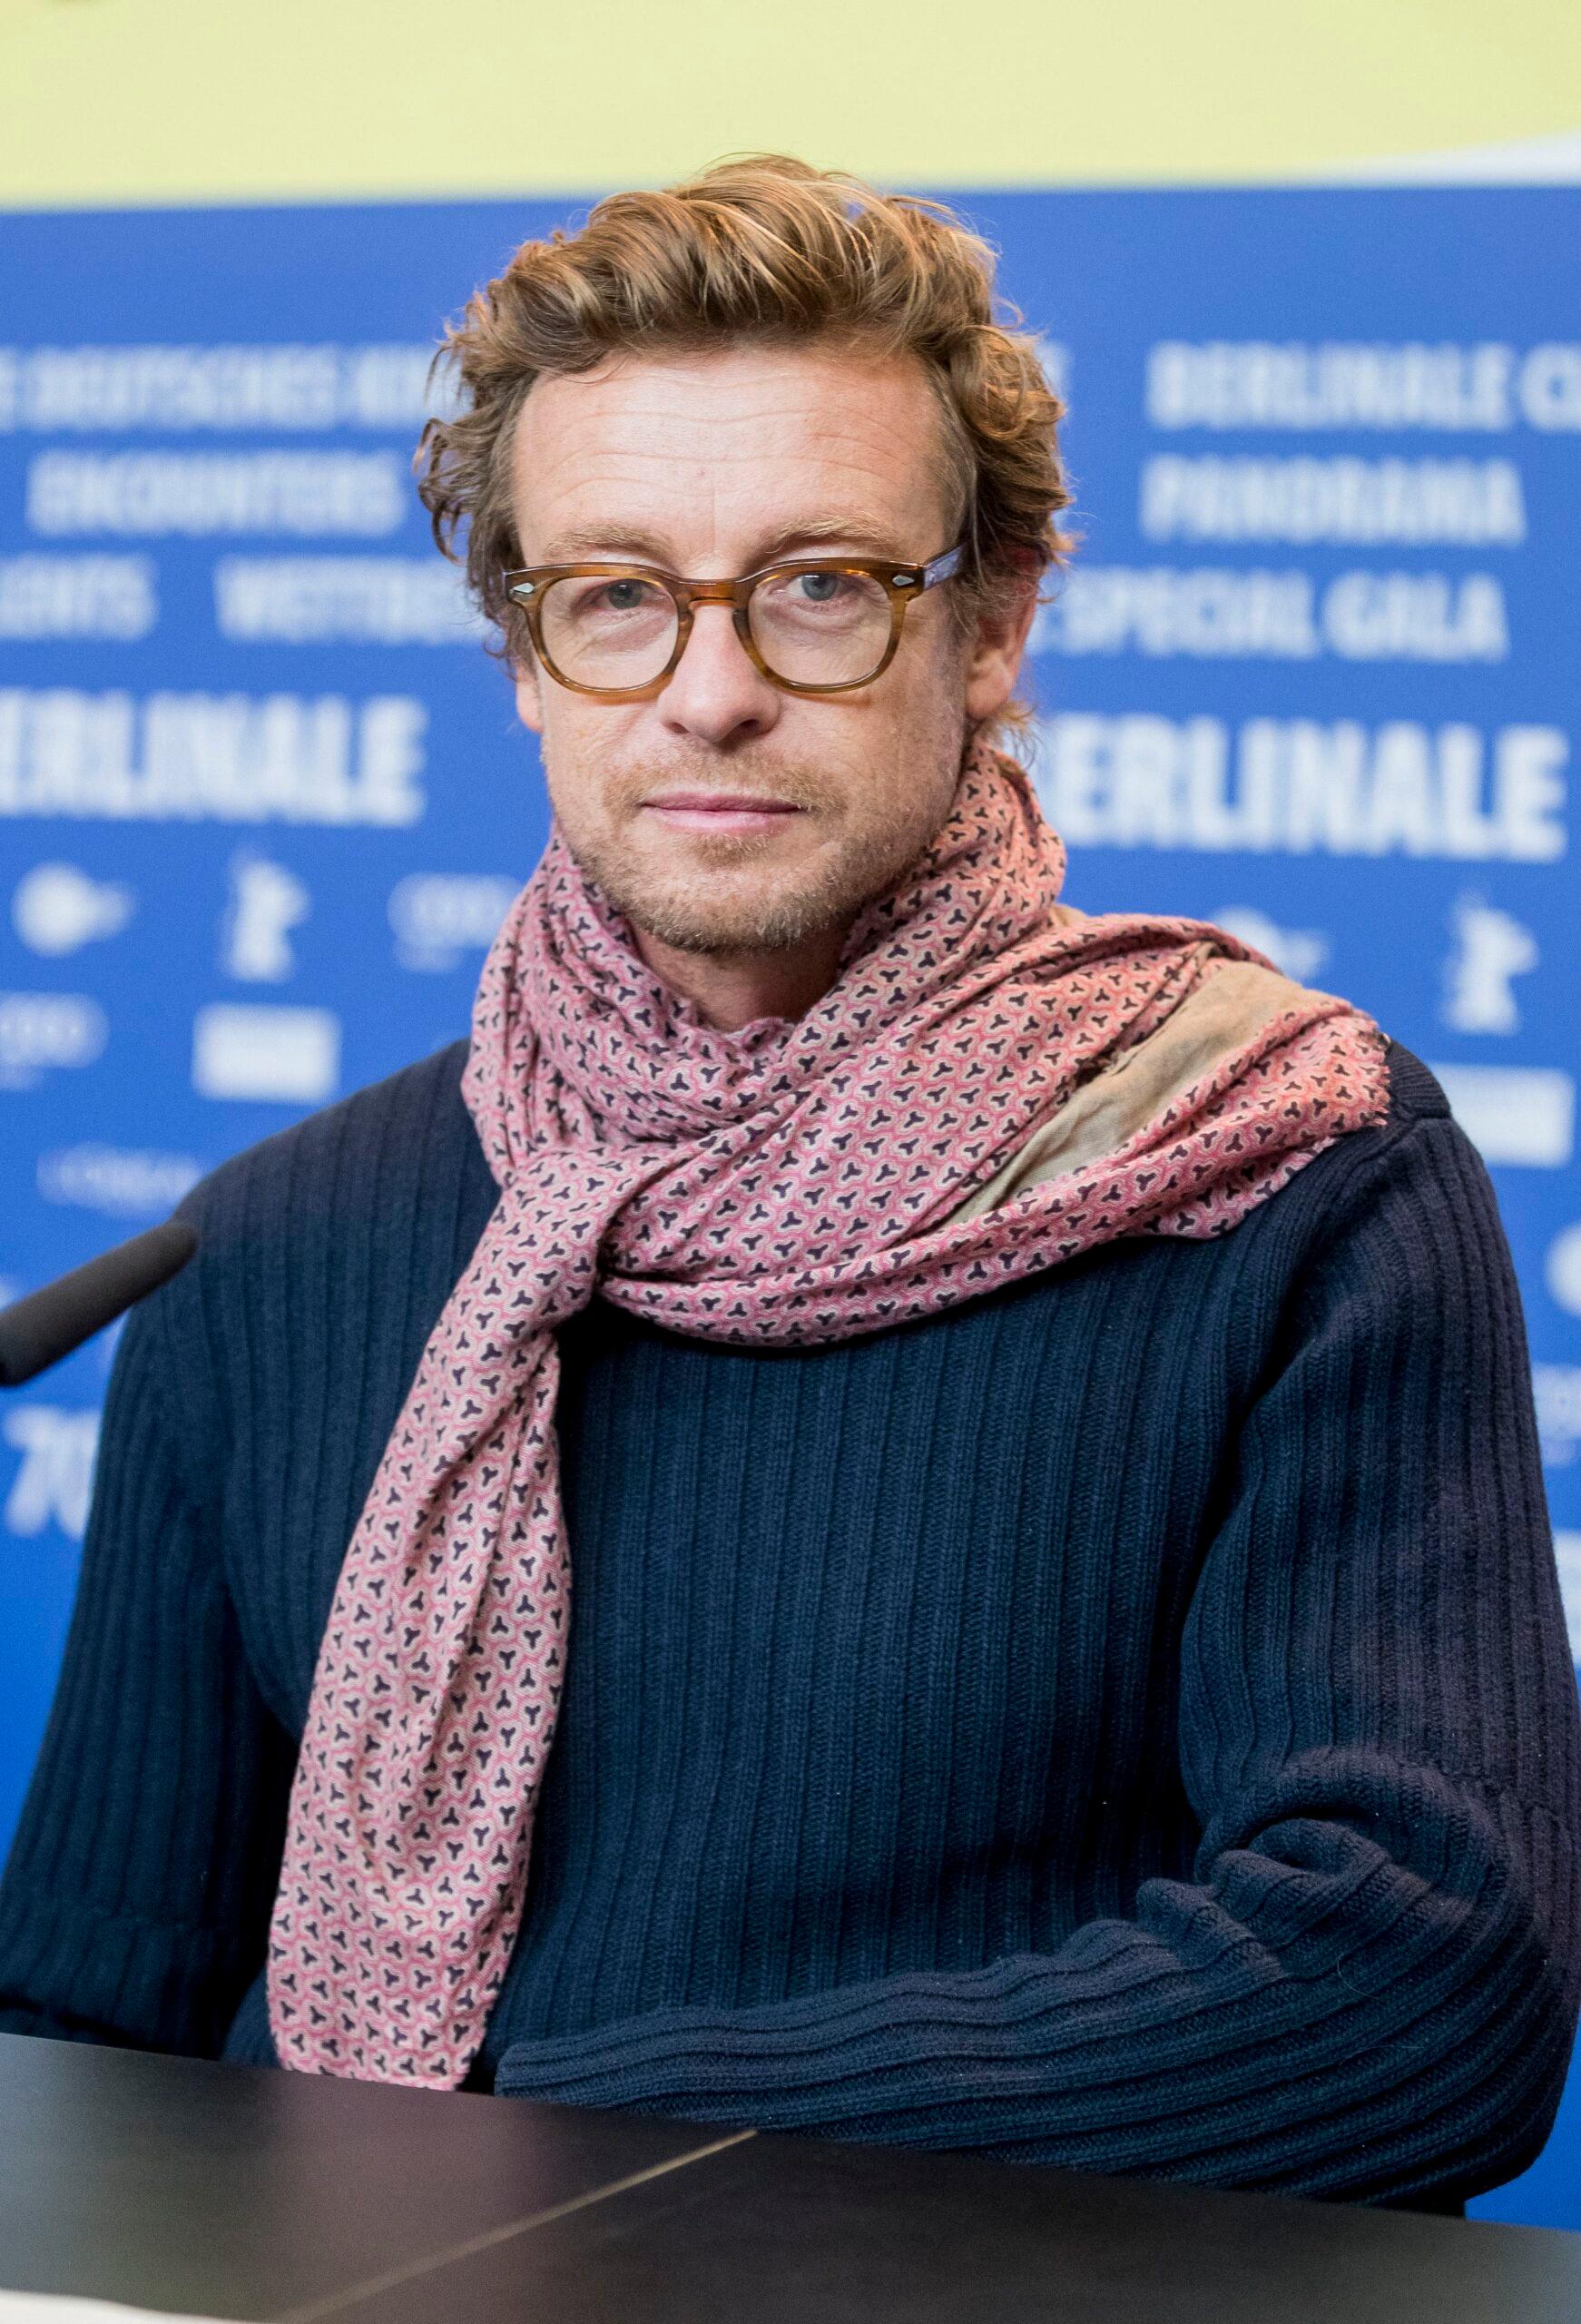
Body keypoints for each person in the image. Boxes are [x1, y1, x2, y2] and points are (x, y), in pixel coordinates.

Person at [1, 157, 1576, 2216]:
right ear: (524, 652)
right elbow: (84, 2037)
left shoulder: (1281, 1161)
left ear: (996, 619)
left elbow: (1412, 1987)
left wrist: (529, 2145)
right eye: (617, 594)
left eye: (820, 583)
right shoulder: (272, 1245)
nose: (709, 684)